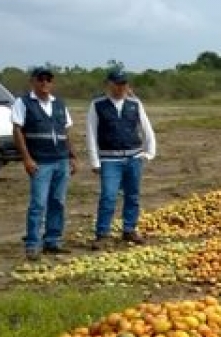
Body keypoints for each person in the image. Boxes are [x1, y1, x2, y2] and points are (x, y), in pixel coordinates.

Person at [12, 66, 78, 261]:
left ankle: (53, 241)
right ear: (33, 81)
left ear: (52, 83)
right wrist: (26, 158)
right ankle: (33, 244)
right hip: (40, 161)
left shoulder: (59, 104)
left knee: (58, 202)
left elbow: (65, 132)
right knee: (38, 204)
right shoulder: (23, 103)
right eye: (40, 79)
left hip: (60, 160)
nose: (44, 83)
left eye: (48, 80)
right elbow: (17, 131)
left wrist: (72, 156)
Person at [85, 67, 156, 249]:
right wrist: (94, 161)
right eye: (116, 84)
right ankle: (102, 233)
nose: (120, 87)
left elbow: (146, 128)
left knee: (132, 196)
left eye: (123, 84)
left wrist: (148, 153)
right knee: (108, 196)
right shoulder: (98, 105)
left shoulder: (134, 104)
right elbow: (91, 133)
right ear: (109, 84)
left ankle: (129, 229)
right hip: (109, 160)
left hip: (133, 157)